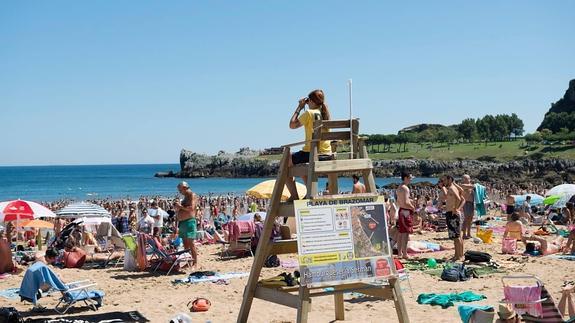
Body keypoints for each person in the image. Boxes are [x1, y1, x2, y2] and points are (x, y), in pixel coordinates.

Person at [286, 89, 333, 199]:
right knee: (301, 163)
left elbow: (292, 125)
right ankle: (309, 192)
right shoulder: (325, 114)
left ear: (310, 101)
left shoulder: (309, 113)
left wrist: (299, 108)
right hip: (327, 154)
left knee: (285, 162)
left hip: (312, 154)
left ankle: (294, 195)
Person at [174, 181, 198, 269]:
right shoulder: (185, 197)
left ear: (184, 188)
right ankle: (188, 262)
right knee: (186, 245)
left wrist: (180, 207)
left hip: (189, 221)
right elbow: (183, 209)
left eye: (180, 190)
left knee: (191, 243)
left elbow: (191, 208)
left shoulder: (192, 195)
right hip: (183, 222)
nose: (179, 192)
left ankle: (195, 263)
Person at [444, 175, 465, 260]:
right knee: (456, 236)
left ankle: (458, 255)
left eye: (445, 180)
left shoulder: (452, 188)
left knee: (456, 236)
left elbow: (459, 198)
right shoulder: (453, 187)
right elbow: (461, 192)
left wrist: (456, 208)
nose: (444, 181)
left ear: (449, 179)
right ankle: (457, 254)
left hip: (452, 213)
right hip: (451, 212)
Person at [396, 172, 416, 259]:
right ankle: (405, 253)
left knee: (401, 233)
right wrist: (413, 207)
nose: (411, 179)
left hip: (401, 210)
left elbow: (400, 201)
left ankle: (399, 253)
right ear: (406, 178)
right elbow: (406, 202)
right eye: (410, 178)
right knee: (406, 233)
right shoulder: (405, 188)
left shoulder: (399, 187)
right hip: (406, 211)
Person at [456, 174, 475, 239]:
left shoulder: (469, 185)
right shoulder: (462, 185)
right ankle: (464, 234)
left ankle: (469, 233)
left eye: (468, 178)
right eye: (465, 179)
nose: (467, 180)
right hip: (465, 203)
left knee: (470, 219)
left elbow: (473, 187)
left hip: (471, 203)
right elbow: (472, 186)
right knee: (465, 219)